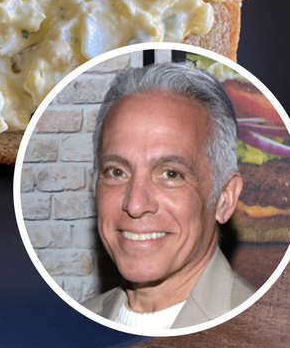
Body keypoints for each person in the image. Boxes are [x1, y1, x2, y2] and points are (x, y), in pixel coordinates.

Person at [81, 62, 255, 330]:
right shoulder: (68, 325)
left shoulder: (270, 331)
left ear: (224, 198)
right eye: (116, 172)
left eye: (171, 174)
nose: (136, 204)